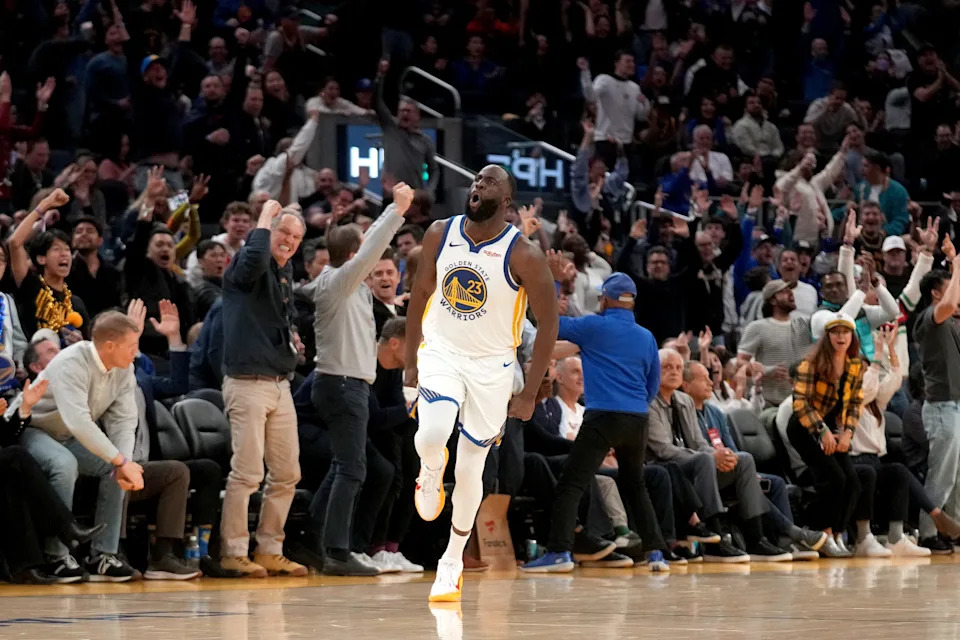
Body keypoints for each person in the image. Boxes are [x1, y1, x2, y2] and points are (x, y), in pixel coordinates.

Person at [404, 165, 558, 601]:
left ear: (507, 201)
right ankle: (430, 469)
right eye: (476, 180)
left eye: (490, 182)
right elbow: (419, 294)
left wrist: (530, 390)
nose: (478, 186)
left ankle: (451, 560)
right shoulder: (440, 232)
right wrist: (412, 361)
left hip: (492, 367)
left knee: (472, 467)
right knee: (433, 432)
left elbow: (548, 324)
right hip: (442, 352)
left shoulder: (523, 253)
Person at [521, 272, 672, 572]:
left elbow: (548, 322)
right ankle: (656, 553)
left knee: (571, 483)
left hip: (602, 415)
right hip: (637, 418)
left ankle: (560, 552)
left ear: (607, 298)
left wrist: (549, 287)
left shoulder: (593, 326)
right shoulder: (646, 336)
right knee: (635, 484)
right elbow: (652, 385)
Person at [309, 182, 414, 577]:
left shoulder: (347, 285)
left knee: (343, 466)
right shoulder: (339, 283)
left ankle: (313, 539)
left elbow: (367, 243)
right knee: (353, 469)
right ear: (354, 257)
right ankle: (338, 550)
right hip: (343, 385)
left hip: (345, 384)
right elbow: (371, 246)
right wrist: (397, 210)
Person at [218, 199, 308, 578]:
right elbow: (255, 259)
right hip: (247, 383)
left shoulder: (283, 274)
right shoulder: (247, 264)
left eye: (295, 237)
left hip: (278, 384)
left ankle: (270, 548)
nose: (288, 240)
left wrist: (292, 341)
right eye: (282, 232)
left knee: (287, 473)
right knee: (247, 473)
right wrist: (264, 220)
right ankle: (233, 552)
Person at [22, 311, 146, 581]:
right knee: (65, 464)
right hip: (33, 429)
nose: (136, 353)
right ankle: (56, 555)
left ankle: (103, 554)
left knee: (115, 469)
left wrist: (124, 462)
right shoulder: (72, 361)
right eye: (132, 347)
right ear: (110, 346)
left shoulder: (126, 369)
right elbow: (78, 421)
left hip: (69, 436)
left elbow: (125, 420)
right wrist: (121, 461)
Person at [786, 312, 888, 557]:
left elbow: (854, 403)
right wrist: (822, 432)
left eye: (845, 332)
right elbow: (800, 403)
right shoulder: (810, 364)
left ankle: (839, 535)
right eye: (835, 332)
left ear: (852, 336)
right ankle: (822, 534)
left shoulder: (855, 365)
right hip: (804, 426)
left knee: (852, 481)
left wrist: (848, 434)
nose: (841, 337)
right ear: (827, 336)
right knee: (834, 479)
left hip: (834, 427)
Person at [915, 261, 960, 553]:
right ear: (935, 293)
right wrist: (956, 267)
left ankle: (953, 530)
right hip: (942, 407)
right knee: (941, 476)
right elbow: (950, 303)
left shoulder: (952, 325)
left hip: (956, 406)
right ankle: (927, 533)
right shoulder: (930, 318)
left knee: (957, 478)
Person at [374, 60, 439, 193]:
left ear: (417, 116)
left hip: (414, 197)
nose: (404, 114)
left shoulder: (425, 140)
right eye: (401, 111)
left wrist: (429, 192)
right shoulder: (390, 128)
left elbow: (434, 170)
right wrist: (380, 76)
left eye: (408, 111)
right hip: (391, 195)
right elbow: (377, 102)